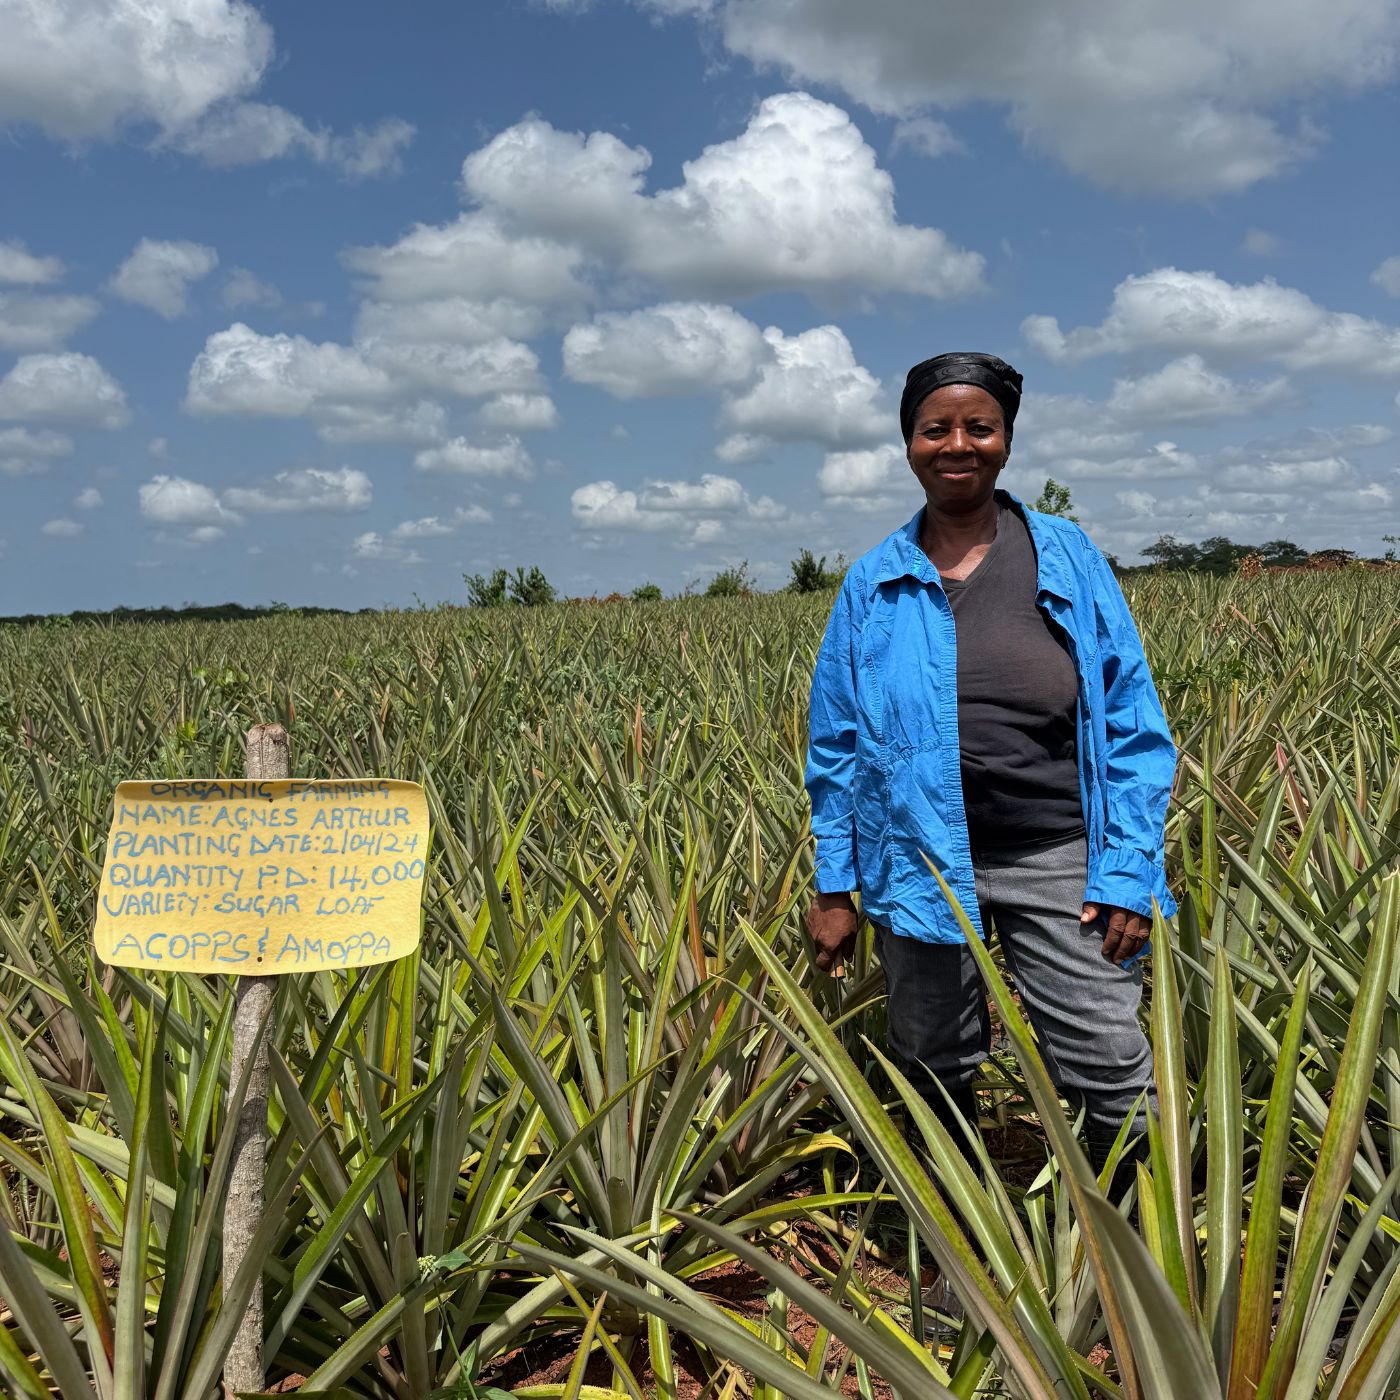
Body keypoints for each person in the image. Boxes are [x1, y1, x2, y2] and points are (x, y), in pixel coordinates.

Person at [803, 351, 1176, 1177]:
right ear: (910, 445)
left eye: (981, 426)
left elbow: (1131, 717)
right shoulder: (873, 583)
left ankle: (1127, 1262)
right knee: (934, 1062)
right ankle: (959, 1247)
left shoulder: (1066, 553)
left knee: (1111, 1064)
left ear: (1006, 439)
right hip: (920, 861)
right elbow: (836, 744)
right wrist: (836, 885)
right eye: (936, 429)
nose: (958, 444)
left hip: (1058, 852)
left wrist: (1128, 872)